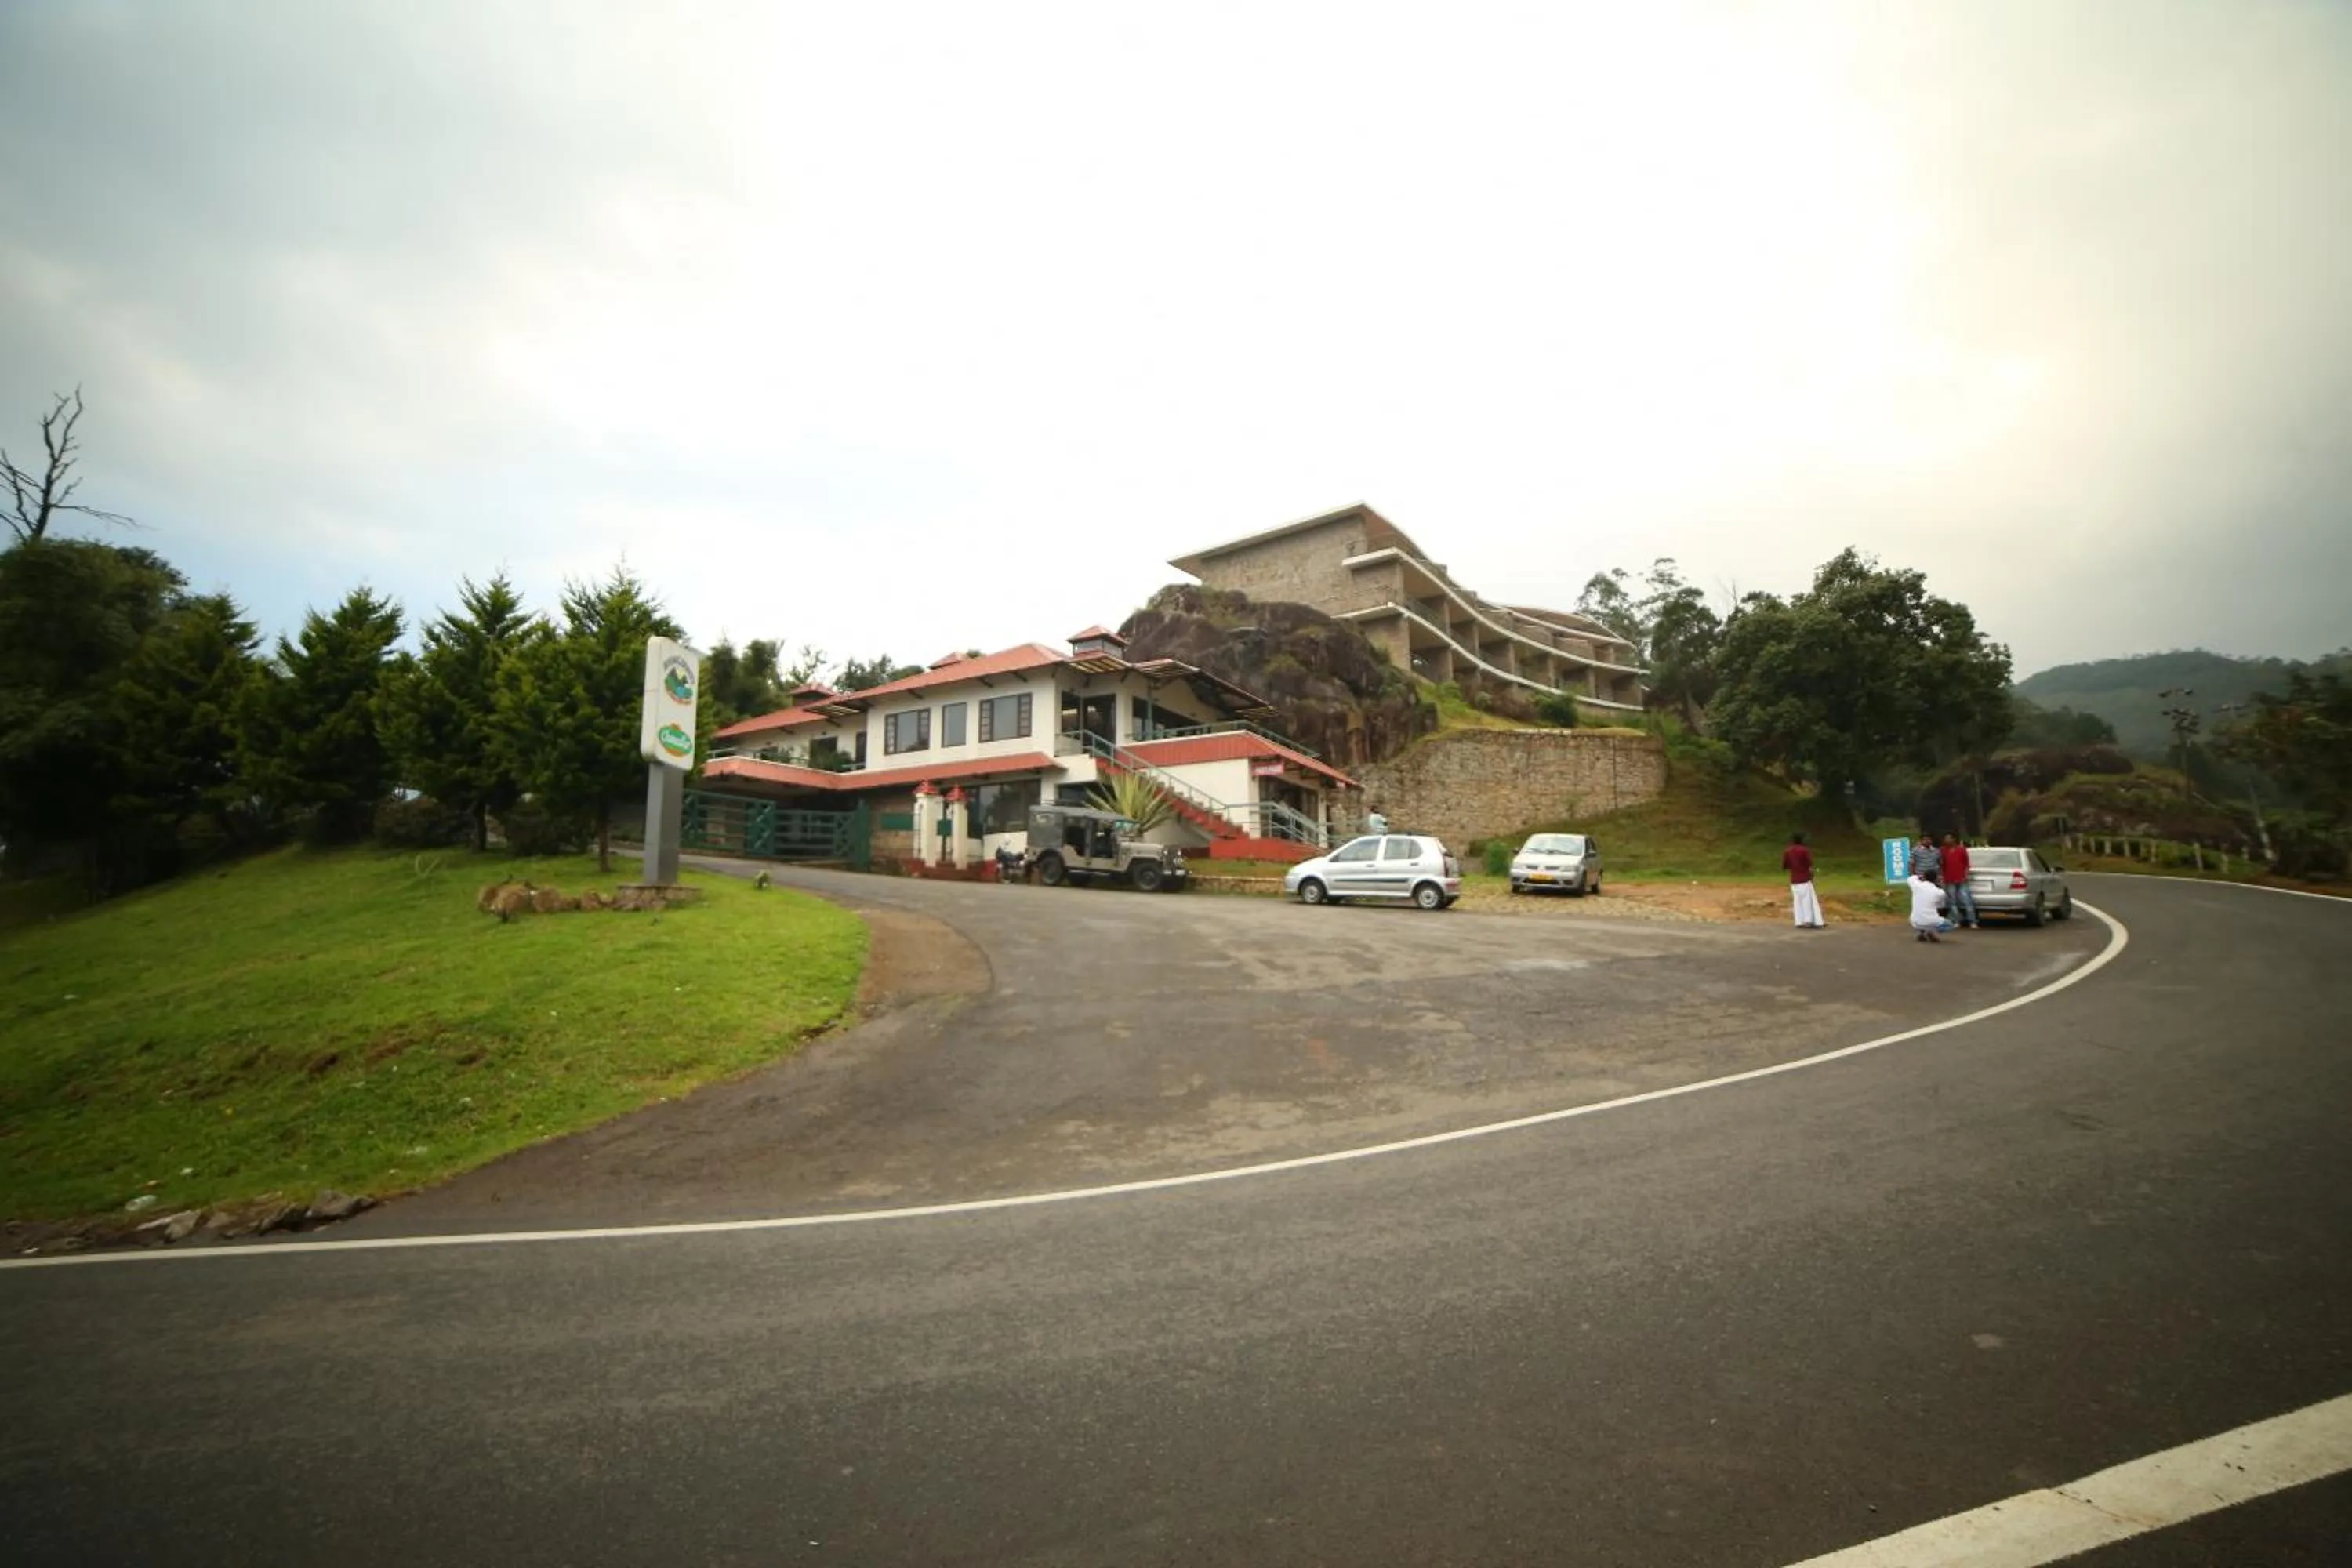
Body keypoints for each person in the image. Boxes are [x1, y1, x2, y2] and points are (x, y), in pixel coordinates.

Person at [1781, 831, 1826, 928]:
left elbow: (1785, 865)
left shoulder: (1788, 851)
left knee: (1797, 901)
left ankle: (1799, 921)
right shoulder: (1804, 850)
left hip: (1794, 879)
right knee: (1807, 900)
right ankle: (1808, 920)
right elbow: (1809, 863)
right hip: (1804, 878)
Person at [1912, 834, 1951, 932]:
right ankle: (1922, 929)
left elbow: (1940, 864)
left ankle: (1932, 924)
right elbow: (1912, 863)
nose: (1927, 841)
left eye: (1929, 839)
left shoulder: (1936, 851)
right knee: (1922, 901)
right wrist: (1914, 876)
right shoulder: (1915, 850)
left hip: (1935, 879)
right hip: (1921, 879)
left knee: (1936, 902)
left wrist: (1941, 876)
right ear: (1921, 841)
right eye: (1925, 840)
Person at [1940, 833, 1977, 929]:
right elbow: (1942, 865)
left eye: (1948, 839)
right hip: (1949, 879)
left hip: (1962, 879)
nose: (1946, 840)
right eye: (1945, 839)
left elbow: (1967, 864)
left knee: (1967, 901)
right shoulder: (1943, 850)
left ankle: (1972, 921)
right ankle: (1957, 921)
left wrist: (1966, 875)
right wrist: (1942, 877)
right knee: (1953, 902)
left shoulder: (1962, 849)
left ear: (1954, 839)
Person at [1907, 870, 1947, 942]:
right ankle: (1929, 932)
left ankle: (1922, 932)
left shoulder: (1917, 886)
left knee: (1923, 918)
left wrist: (1920, 876)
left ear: (1924, 877)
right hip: (1931, 921)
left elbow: (1910, 879)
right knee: (1949, 925)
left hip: (1915, 921)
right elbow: (1941, 906)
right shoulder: (1940, 892)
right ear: (1936, 879)